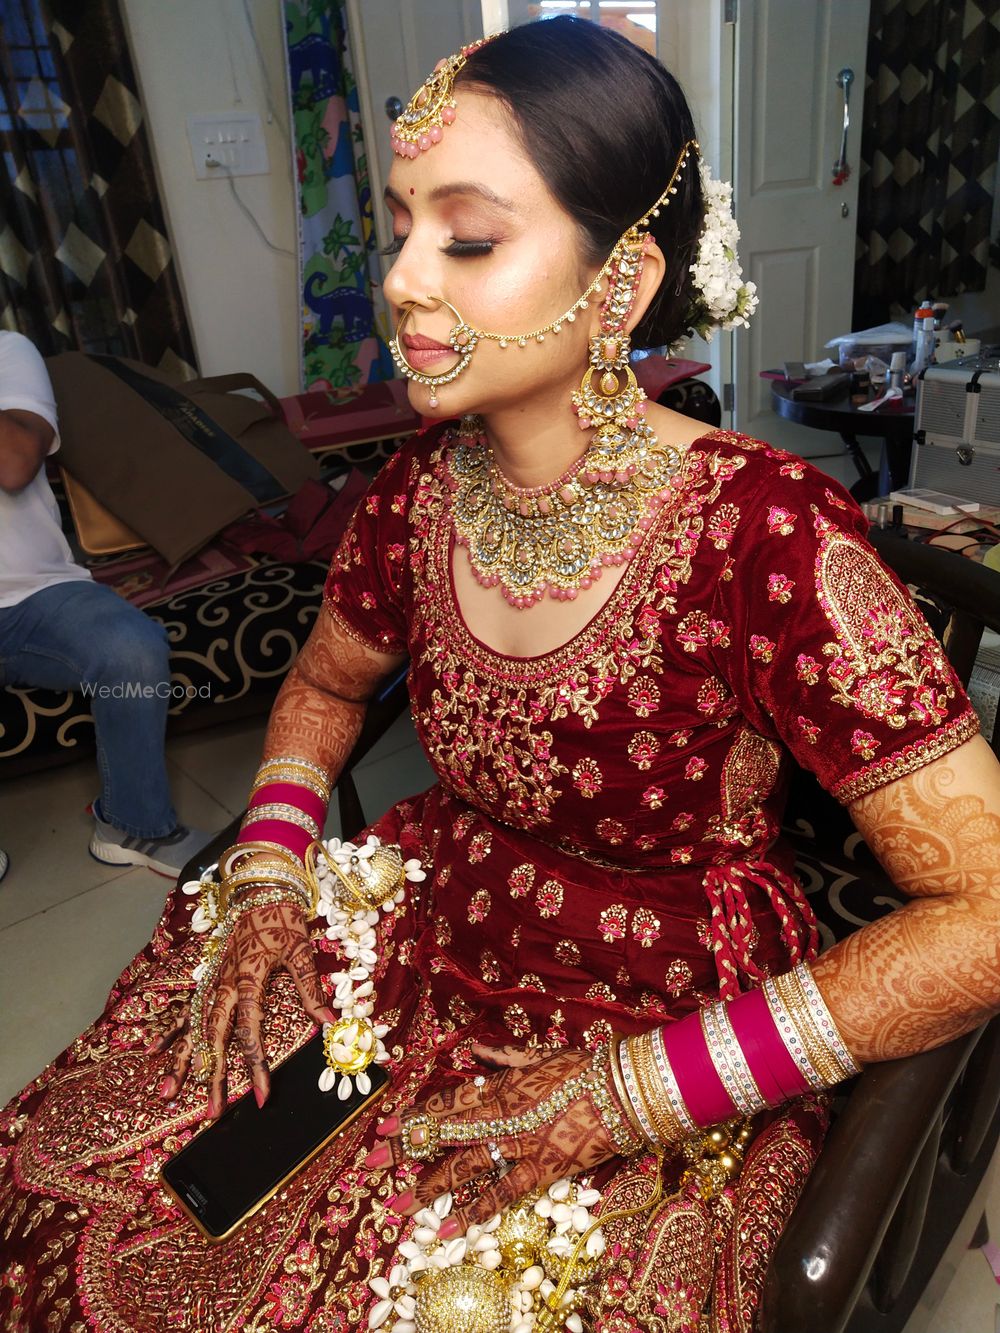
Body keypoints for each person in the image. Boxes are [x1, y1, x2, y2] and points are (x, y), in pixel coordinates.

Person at [1, 20, 999, 1331]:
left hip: (656, 1000)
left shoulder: (768, 537)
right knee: (80, 1187)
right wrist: (270, 867)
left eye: (466, 238)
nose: (403, 280)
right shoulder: (414, 494)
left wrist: (621, 1099)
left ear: (623, 282)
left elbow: (985, 911)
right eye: (402, 226)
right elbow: (322, 690)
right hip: (429, 903)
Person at [0, 330, 209, 876]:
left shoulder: (9, 352)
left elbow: (15, 463)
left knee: (131, 649)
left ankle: (133, 826)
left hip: (35, 595)